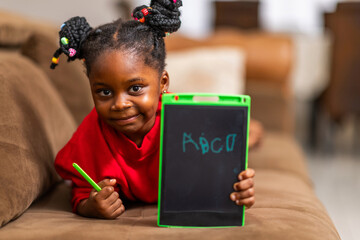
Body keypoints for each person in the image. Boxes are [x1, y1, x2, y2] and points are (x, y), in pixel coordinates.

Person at [52, 0, 257, 219]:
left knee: (248, 135)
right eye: (104, 92)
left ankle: (254, 131)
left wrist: (236, 189)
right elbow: (81, 193)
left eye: (135, 88)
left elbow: (218, 171)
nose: (120, 104)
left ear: (163, 83)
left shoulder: (188, 120)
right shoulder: (90, 136)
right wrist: (90, 206)